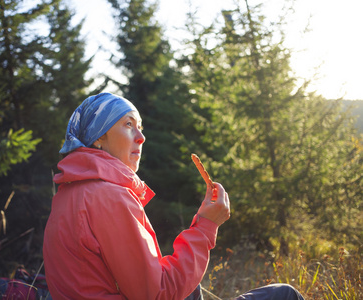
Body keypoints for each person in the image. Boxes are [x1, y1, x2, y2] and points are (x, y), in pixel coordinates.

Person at [43, 93, 304, 300]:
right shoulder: (108, 196)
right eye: (128, 125)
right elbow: (155, 294)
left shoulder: (70, 192)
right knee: (284, 294)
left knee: (191, 289)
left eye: (141, 127)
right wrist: (205, 226)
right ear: (99, 137)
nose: (141, 137)